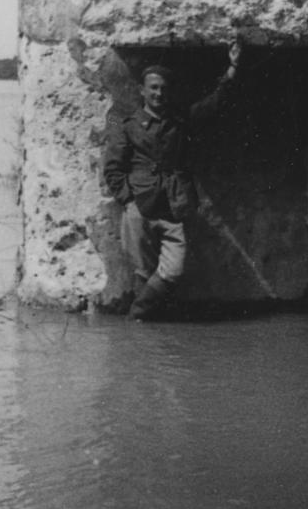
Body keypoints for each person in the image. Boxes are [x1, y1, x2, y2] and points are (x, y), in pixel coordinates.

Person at [102, 42, 243, 320]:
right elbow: (113, 168)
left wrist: (231, 71)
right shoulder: (128, 125)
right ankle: (147, 333)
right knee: (143, 270)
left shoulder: (180, 121)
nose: (158, 93)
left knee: (173, 269)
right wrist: (128, 201)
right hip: (139, 207)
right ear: (143, 91)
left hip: (173, 206)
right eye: (153, 88)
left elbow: (210, 105)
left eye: (163, 88)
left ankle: (136, 315)